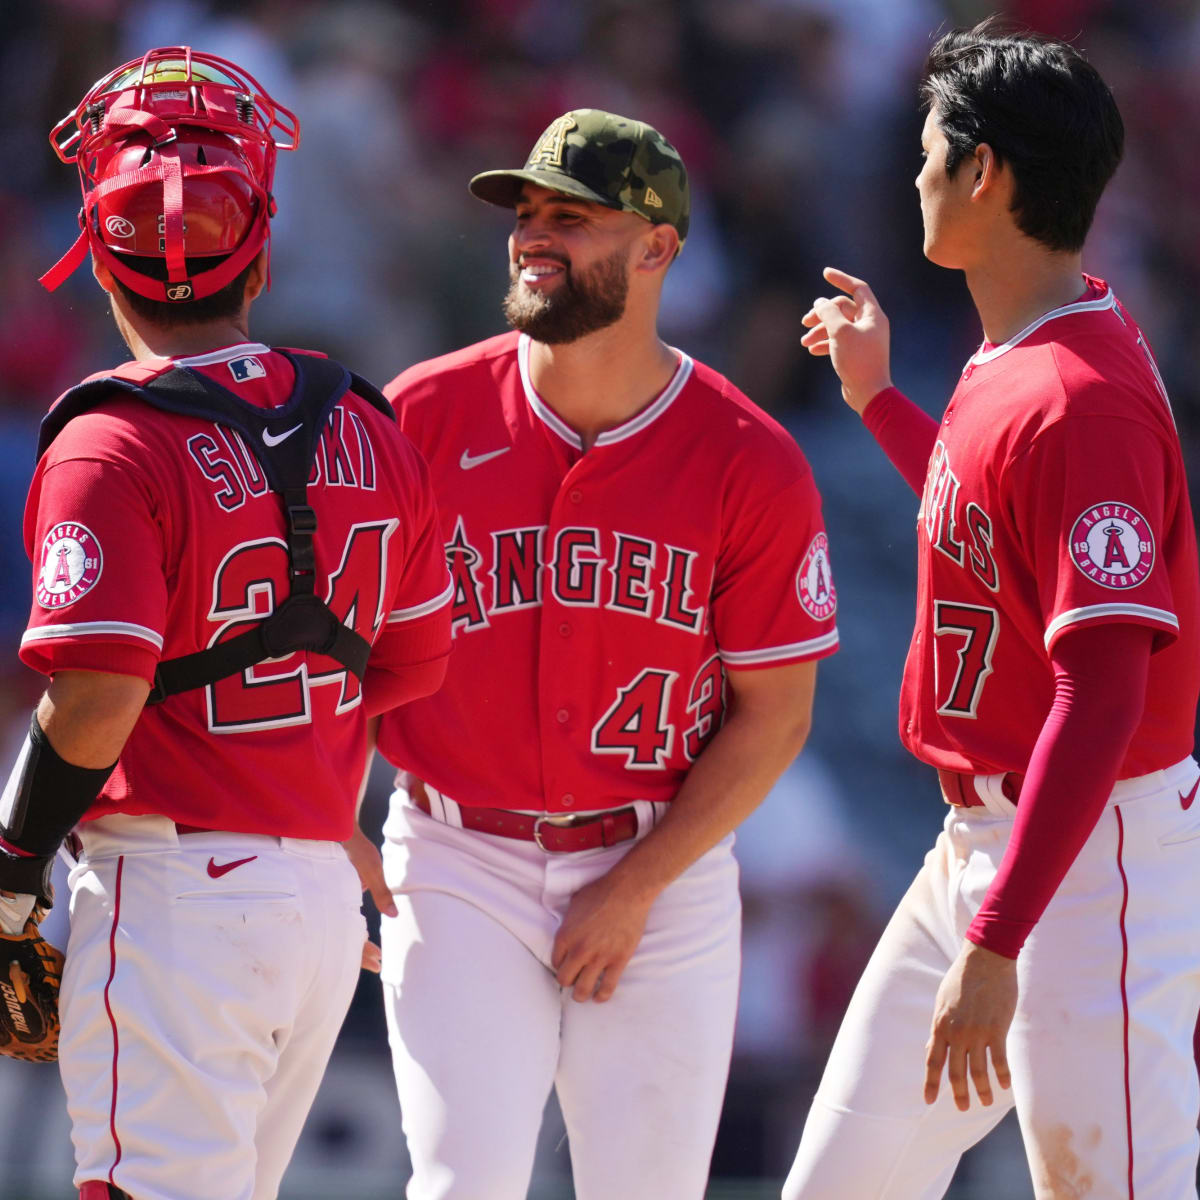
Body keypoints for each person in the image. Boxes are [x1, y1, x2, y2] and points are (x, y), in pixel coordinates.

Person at [359, 109, 839, 1200]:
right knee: (458, 1183)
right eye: (525, 214)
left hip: (659, 863)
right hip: (453, 852)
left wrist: (635, 887)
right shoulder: (418, 418)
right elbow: (343, 650)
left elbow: (778, 715)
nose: (534, 236)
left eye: (570, 218)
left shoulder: (747, 459)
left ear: (659, 247)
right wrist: (334, 816)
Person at [0, 48, 452, 1200]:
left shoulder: (108, 438)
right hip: (309, 895)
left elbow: (97, 697)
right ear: (260, 232)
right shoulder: (368, 417)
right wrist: (300, 790)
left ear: (97, 244)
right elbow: (406, 669)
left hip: (171, 894)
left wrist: (8, 867)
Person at [784, 20, 1200, 1200]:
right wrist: (874, 399)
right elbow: (987, 522)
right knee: (837, 1188)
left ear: (984, 173)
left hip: (1090, 854)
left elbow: (1106, 689)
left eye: (929, 152)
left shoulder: (1083, 398)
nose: (912, 175)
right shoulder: (1030, 345)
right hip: (987, 847)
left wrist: (1001, 937)